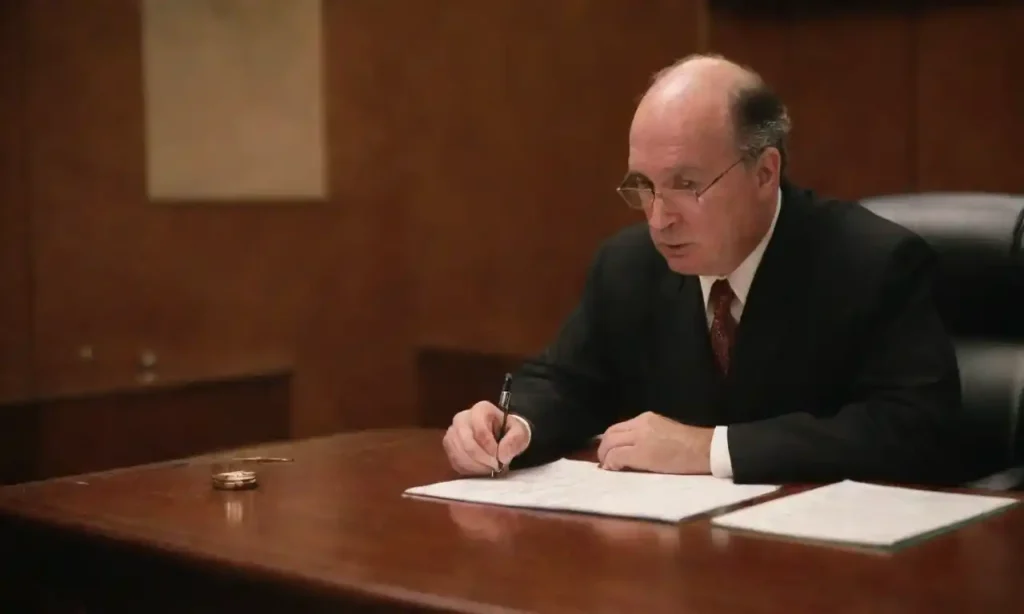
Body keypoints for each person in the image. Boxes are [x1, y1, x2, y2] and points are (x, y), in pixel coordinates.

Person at [441, 53, 966, 485]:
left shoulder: (873, 263)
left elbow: (916, 430)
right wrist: (513, 424)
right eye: (643, 186)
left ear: (765, 172)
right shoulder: (628, 266)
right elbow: (568, 381)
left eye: (686, 185)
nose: (658, 218)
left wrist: (710, 448)